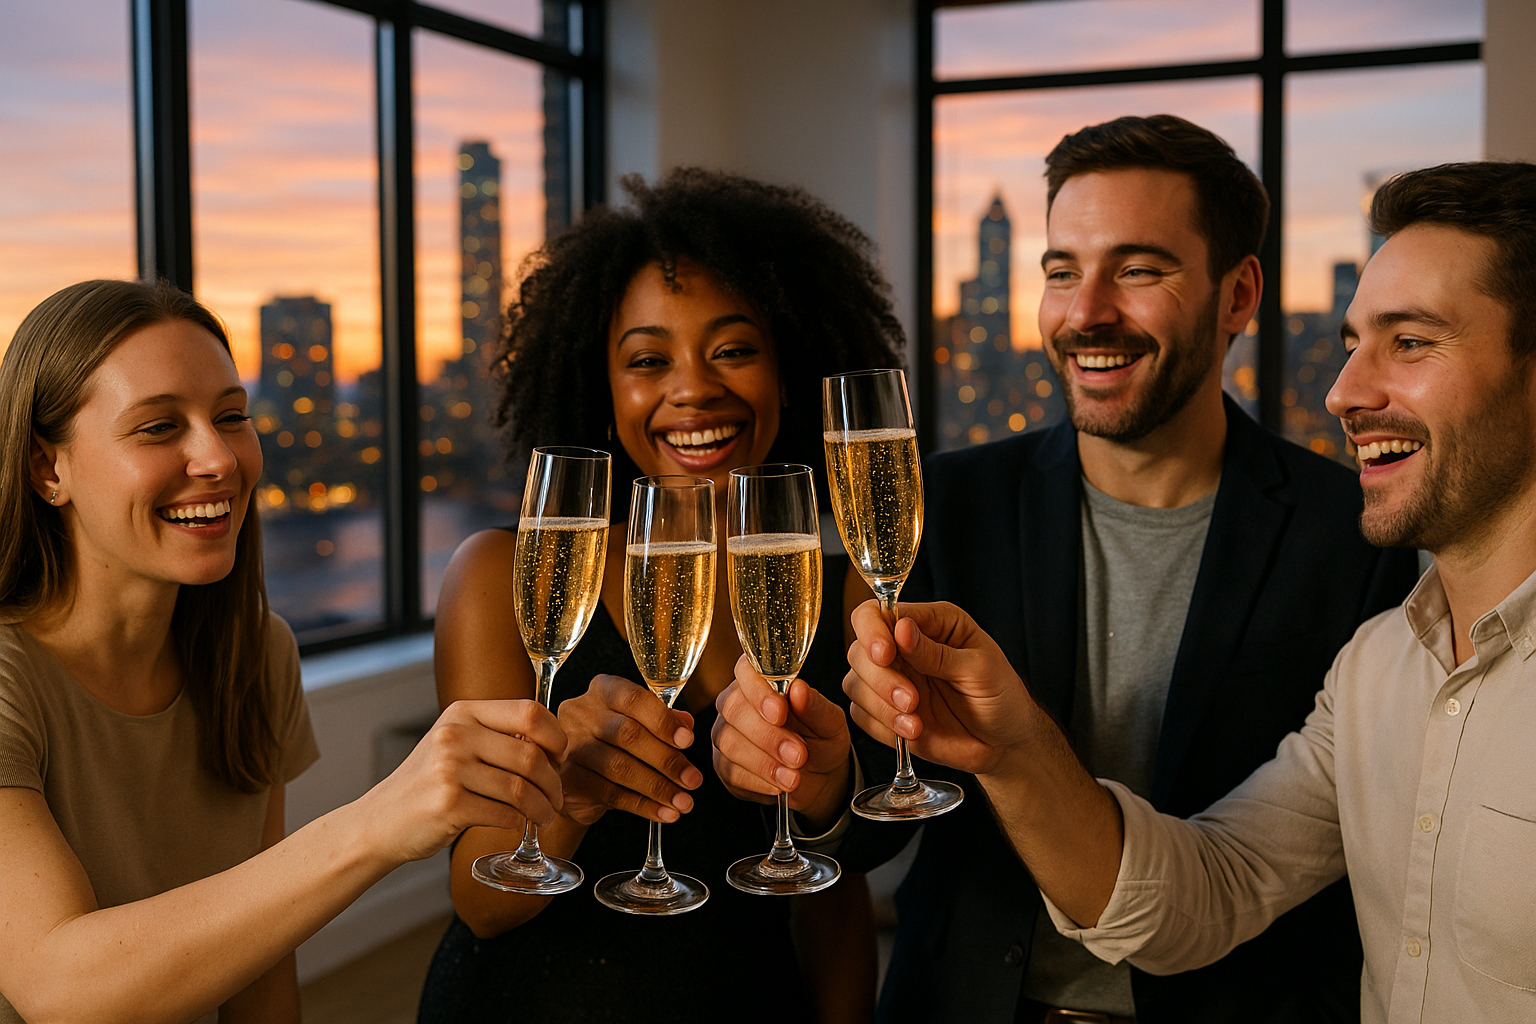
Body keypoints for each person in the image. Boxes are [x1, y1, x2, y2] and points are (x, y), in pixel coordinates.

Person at [712, 115, 1421, 1023]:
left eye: (1137, 270)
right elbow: (874, 826)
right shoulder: (939, 507)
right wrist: (819, 798)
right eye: (1060, 271)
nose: (1086, 312)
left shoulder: (1359, 538)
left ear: (1239, 295)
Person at [840, 159, 1536, 1024]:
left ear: (1238, 295)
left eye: (1413, 341)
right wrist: (1011, 745)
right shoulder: (1377, 670)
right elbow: (1209, 889)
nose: (1343, 392)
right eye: (1356, 343)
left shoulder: (1341, 554)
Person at [0, 279, 567, 1024]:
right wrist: (376, 824)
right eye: (158, 428)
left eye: (232, 417)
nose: (219, 459)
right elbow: (61, 988)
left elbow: (258, 966)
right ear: (48, 469)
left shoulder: (256, 652)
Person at [417, 168, 906, 1024]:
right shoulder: (508, 575)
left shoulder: (843, 588)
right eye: (648, 360)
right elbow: (483, 902)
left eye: (733, 349)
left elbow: (835, 893)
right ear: (603, 393)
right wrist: (566, 796)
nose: (693, 389)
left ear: (786, 373)